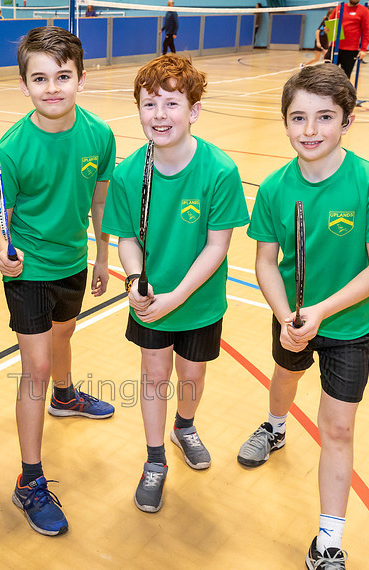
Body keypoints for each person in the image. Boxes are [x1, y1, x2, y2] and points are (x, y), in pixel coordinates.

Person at [236, 64, 369, 569]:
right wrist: (288, 315)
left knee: (338, 429)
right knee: (284, 379)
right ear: (284, 122)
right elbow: (265, 261)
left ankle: (328, 540)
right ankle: (275, 425)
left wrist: (323, 310)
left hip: (348, 325)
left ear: (347, 121)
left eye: (325, 117)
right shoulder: (273, 188)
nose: (310, 131)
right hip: (291, 315)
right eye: (298, 118)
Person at [0, 26, 116, 536]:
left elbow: (99, 202)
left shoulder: (99, 136)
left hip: (73, 262)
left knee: (64, 335)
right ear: (24, 85)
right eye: (40, 79)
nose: (53, 88)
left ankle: (66, 397)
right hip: (30, 267)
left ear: (81, 78)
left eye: (63, 76)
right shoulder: (11, 149)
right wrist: (2, 252)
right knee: (34, 366)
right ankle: (29, 481)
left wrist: (103, 254)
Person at [103, 54, 249, 513]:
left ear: (194, 110)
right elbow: (127, 238)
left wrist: (177, 297)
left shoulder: (219, 171)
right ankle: (154, 461)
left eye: (171, 103)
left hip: (197, 301)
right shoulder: (129, 174)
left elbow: (216, 247)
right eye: (149, 105)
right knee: (153, 375)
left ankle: (184, 426)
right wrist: (132, 279)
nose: (159, 115)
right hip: (150, 302)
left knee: (191, 374)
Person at [330, 0, 369, 78]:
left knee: (345, 77)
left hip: (351, 50)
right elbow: (331, 23)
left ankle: (343, 90)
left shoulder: (363, 10)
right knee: (328, 75)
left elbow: (367, 30)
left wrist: (363, 49)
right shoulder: (339, 8)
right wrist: (327, 30)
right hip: (335, 47)